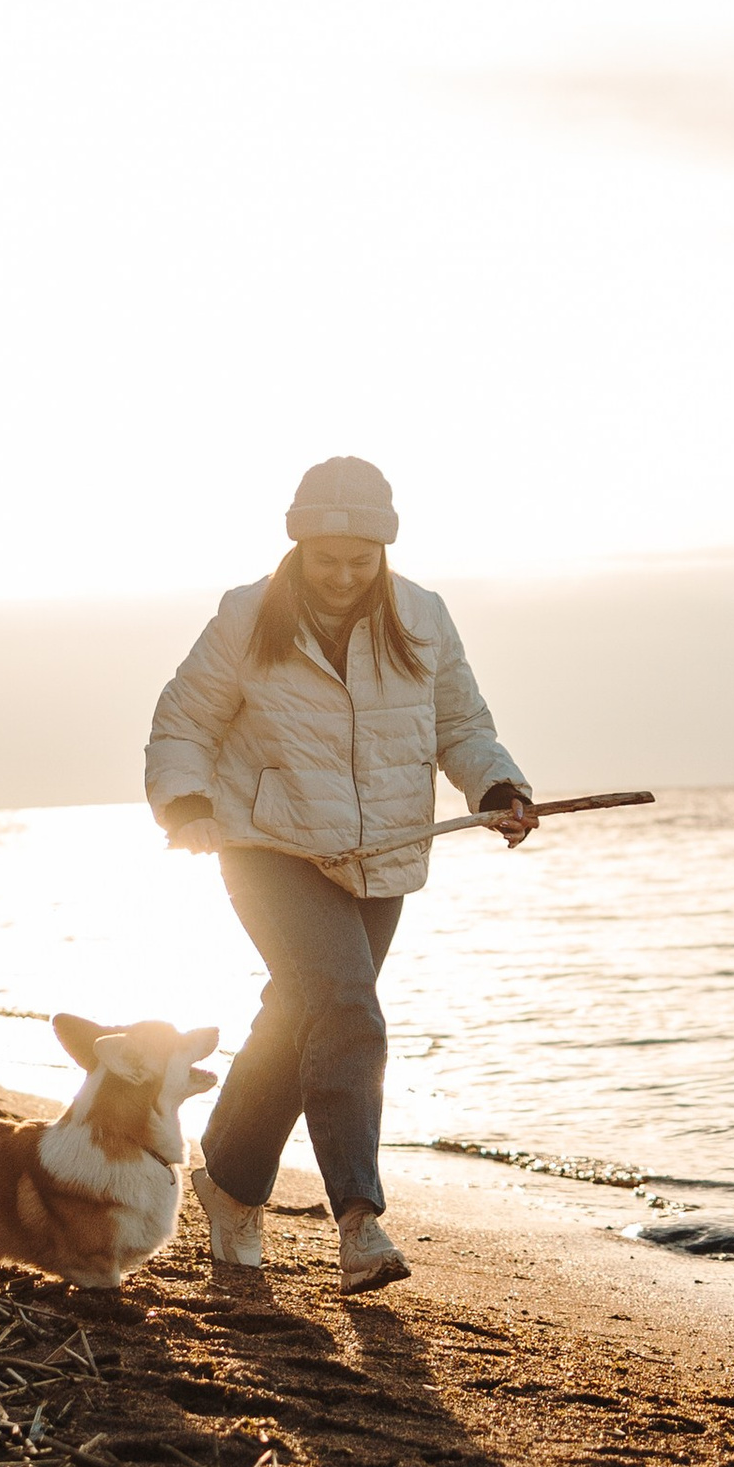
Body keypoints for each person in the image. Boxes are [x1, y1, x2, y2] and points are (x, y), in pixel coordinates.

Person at [144, 457, 537, 1296]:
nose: (345, 576)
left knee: (304, 1015)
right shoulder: (247, 615)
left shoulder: (421, 615)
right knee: (348, 1005)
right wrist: (186, 805)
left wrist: (497, 787)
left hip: (382, 855)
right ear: (300, 543)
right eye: (329, 559)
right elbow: (185, 719)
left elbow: (461, 723)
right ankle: (358, 1219)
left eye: (362, 560)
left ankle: (229, 1178)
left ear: (382, 551)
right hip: (270, 849)